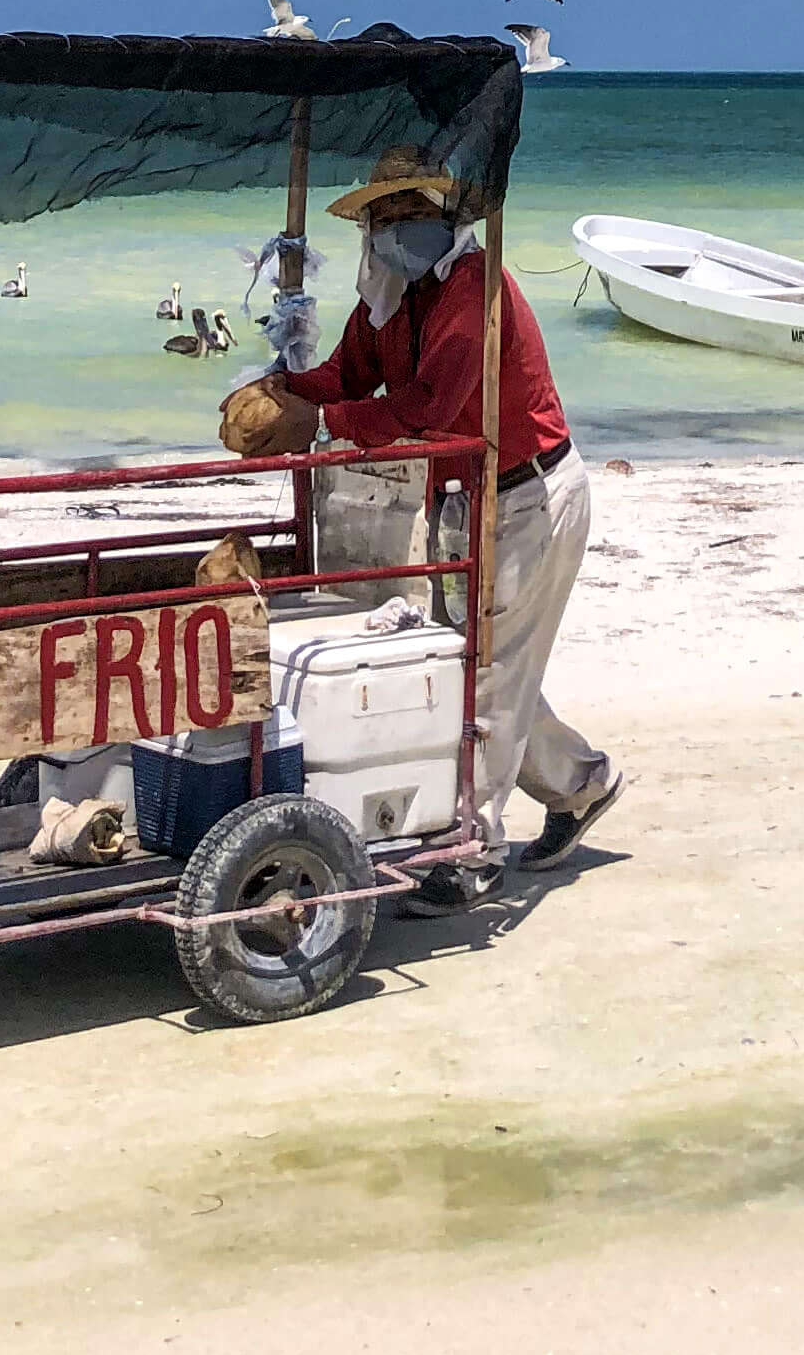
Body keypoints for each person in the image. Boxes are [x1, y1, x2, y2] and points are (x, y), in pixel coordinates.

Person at [260, 149, 623, 883]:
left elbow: (431, 404)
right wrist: (286, 390)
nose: (397, 230)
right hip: (463, 501)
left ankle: (471, 850)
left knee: (487, 676)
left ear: (443, 218)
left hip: (530, 495)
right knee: (482, 666)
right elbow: (350, 372)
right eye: (384, 218)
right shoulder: (392, 297)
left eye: (411, 215)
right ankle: (582, 783)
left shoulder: (471, 289)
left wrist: (325, 418)